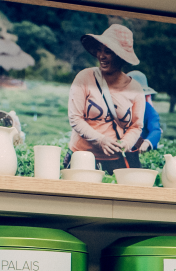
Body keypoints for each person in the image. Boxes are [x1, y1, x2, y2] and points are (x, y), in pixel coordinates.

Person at [68, 24, 146, 172]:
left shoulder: (136, 89)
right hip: (82, 156)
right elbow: (75, 118)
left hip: (116, 161)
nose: (101, 56)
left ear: (121, 56)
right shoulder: (84, 78)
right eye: (99, 50)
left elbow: (136, 126)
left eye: (108, 52)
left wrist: (126, 143)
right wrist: (101, 140)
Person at [125, 69, 164, 152]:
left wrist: (147, 143)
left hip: (142, 149)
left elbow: (155, 130)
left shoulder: (148, 109)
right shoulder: (120, 108)